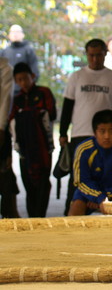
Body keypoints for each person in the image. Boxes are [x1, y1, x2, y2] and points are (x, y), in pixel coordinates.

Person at [59, 38, 112, 215]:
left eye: (99, 55)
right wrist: (62, 133)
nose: (95, 59)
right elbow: (67, 106)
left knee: (107, 176)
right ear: (86, 55)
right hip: (80, 134)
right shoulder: (77, 77)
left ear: (105, 54)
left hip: (107, 137)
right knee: (77, 180)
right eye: (91, 55)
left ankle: (105, 208)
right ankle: (70, 217)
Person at [68, 110, 112, 216]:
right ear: (95, 133)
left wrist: (107, 198)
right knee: (76, 208)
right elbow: (81, 181)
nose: (107, 136)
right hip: (92, 193)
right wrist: (99, 197)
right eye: (102, 131)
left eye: (111, 131)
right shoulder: (83, 150)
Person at [8, 63, 56, 218]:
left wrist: (29, 116)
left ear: (32, 76)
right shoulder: (17, 99)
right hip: (24, 150)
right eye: (19, 80)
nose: (23, 82)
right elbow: (11, 121)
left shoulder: (44, 92)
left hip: (43, 148)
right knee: (28, 184)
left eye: (25, 78)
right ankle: (32, 218)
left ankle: (40, 216)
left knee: (42, 183)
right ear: (15, 81)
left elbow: (52, 114)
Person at [0, 57, 18, 218]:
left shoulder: (4, 68)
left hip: (1, 128)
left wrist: (1, 127)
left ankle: (9, 213)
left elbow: (6, 100)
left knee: (5, 173)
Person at [1, 24, 39, 96]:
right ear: (9, 35)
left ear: (22, 35)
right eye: (13, 32)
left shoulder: (29, 51)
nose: (15, 34)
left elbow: (35, 72)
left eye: (17, 32)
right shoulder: (4, 52)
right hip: (7, 91)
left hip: (25, 92)